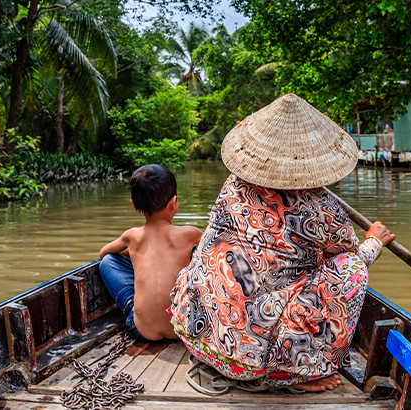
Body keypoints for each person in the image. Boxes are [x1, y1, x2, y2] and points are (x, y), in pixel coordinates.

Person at [169, 94, 395, 393]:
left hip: (198, 339)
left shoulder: (232, 185)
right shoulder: (324, 207)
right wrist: (373, 242)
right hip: (250, 364)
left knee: (218, 249)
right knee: (352, 267)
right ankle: (295, 371)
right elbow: (352, 258)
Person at [99, 164, 203, 341]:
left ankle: (135, 305)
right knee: (198, 256)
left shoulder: (132, 236)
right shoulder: (190, 234)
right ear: (173, 203)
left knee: (107, 263)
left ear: (134, 205)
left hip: (142, 330)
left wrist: (134, 251)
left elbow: (104, 253)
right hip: (182, 330)